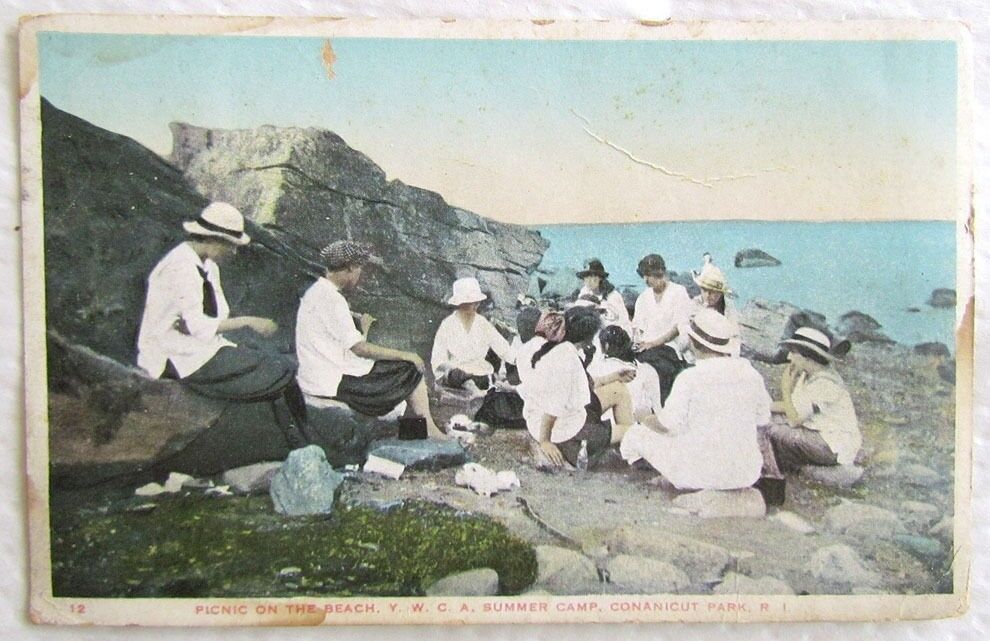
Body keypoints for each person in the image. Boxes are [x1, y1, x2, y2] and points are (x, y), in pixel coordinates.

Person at [136, 202, 308, 447]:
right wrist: (249, 321)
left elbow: (213, 318)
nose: (234, 252)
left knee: (279, 367)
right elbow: (197, 326)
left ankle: (302, 440)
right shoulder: (180, 266)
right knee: (279, 372)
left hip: (201, 348)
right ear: (214, 239)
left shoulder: (208, 267)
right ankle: (300, 443)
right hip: (173, 356)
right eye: (231, 246)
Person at [295, 240, 444, 438]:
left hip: (316, 375)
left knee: (395, 371)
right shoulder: (333, 299)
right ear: (349, 268)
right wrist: (407, 355)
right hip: (331, 381)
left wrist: (363, 328)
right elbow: (359, 349)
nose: (359, 275)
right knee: (409, 369)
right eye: (358, 269)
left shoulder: (315, 292)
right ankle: (429, 430)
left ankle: (414, 431)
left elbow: (342, 345)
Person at [620, 309, 772, 491]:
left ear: (693, 343)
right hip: (745, 473)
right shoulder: (751, 374)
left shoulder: (690, 378)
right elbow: (763, 421)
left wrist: (644, 417)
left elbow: (668, 426)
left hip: (701, 473)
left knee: (634, 435)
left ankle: (660, 481)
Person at [522, 306, 636, 469]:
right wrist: (545, 441)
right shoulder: (567, 360)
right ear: (587, 337)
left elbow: (583, 386)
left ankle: (623, 449)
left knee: (619, 389)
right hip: (563, 431)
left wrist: (615, 377)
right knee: (629, 431)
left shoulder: (561, 347)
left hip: (567, 415)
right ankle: (625, 449)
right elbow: (553, 408)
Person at [766, 327, 861, 471]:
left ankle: (780, 467)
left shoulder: (825, 384)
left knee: (772, 430)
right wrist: (757, 407)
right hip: (816, 433)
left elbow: (794, 420)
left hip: (832, 445)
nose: (789, 357)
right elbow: (792, 406)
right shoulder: (807, 375)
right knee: (766, 418)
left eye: (793, 352)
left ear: (807, 357)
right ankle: (786, 463)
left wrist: (785, 389)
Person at [430, 277, 514, 397]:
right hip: (458, 375)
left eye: (477, 302)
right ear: (461, 303)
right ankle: (471, 387)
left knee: (482, 378)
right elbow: (438, 358)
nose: (476, 305)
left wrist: (521, 360)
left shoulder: (482, 323)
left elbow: (504, 349)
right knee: (457, 376)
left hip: (480, 374)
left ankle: (477, 390)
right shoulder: (447, 325)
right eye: (472, 302)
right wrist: (454, 369)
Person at [631, 253, 693, 403]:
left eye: (650, 275)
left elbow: (678, 327)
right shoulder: (643, 297)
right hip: (647, 347)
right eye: (644, 276)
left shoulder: (678, 292)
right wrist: (637, 342)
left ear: (660, 273)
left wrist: (654, 343)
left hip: (669, 346)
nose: (646, 280)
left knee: (659, 369)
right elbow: (637, 327)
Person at [590, 325, 664, 423]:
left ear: (606, 346)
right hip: (643, 424)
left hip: (612, 426)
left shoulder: (598, 368)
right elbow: (657, 408)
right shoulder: (648, 369)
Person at [673, 259, 742, 359]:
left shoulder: (728, 308)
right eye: (705, 290)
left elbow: (735, 336)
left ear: (721, 292)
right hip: (697, 352)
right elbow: (683, 328)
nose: (709, 295)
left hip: (721, 352)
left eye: (714, 292)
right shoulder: (694, 304)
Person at [572, 259, 632, 333]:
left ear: (600, 277)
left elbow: (625, 322)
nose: (588, 280)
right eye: (586, 276)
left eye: (592, 276)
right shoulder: (584, 293)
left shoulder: (613, 296)